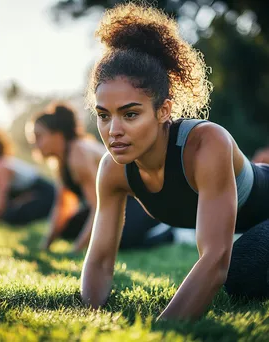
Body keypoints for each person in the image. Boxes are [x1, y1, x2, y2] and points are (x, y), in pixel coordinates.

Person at [80, 3, 269, 321]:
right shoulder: (113, 170)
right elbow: (99, 261)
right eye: (103, 115)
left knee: (244, 270)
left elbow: (215, 260)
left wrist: (162, 330)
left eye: (130, 114)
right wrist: (88, 318)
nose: (114, 131)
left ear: (164, 110)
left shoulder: (206, 144)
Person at [28, 102, 174, 252]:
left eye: (39, 136)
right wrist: (46, 245)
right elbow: (64, 205)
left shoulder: (78, 154)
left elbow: (98, 207)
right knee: (68, 228)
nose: (34, 143)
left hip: (136, 201)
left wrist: (77, 249)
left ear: (58, 135)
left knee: (117, 241)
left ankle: (170, 232)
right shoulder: (62, 159)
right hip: (111, 203)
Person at [0, 123, 55, 225]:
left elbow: (0, 201)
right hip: (35, 191)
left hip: (46, 193)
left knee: (9, 216)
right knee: (8, 214)